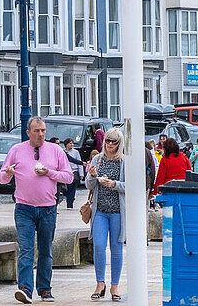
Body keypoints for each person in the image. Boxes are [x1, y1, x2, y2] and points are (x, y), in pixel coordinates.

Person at [0, 117, 74, 303]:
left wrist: (49, 172)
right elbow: (1, 178)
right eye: (37, 131)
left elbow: (69, 177)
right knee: (26, 250)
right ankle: (25, 289)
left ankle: (45, 289)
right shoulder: (16, 150)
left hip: (48, 208)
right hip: (24, 208)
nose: (41, 134)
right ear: (28, 133)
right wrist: (8, 174)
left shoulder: (55, 150)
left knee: (45, 250)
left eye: (43, 130)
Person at [85, 128, 126, 302]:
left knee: (116, 249)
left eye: (114, 142)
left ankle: (115, 285)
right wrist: (93, 176)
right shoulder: (97, 159)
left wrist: (115, 184)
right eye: (107, 141)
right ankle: (100, 283)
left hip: (117, 211)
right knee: (99, 246)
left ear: (120, 144)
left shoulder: (124, 161)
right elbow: (88, 185)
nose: (109, 145)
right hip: (100, 210)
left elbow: (131, 185)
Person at [63, 139, 84, 209]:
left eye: (72, 143)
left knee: (72, 188)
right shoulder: (63, 152)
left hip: (74, 172)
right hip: (65, 172)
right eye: (70, 143)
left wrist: (81, 174)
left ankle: (70, 204)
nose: (72, 145)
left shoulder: (76, 152)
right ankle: (68, 198)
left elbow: (78, 162)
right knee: (65, 189)